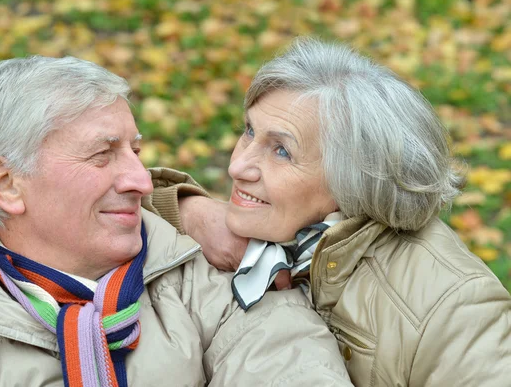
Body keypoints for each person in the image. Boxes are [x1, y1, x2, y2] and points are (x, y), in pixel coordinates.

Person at [0, 56, 353, 386]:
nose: (142, 180)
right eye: (103, 155)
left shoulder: (229, 281)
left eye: (135, 151)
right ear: (7, 184)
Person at [146, 38, 511, 386]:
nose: (238, 166)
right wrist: (186, 210)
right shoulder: (279, 229)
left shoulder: (453, 305)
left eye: (281, 151)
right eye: (248, 131)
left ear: (354, 180)